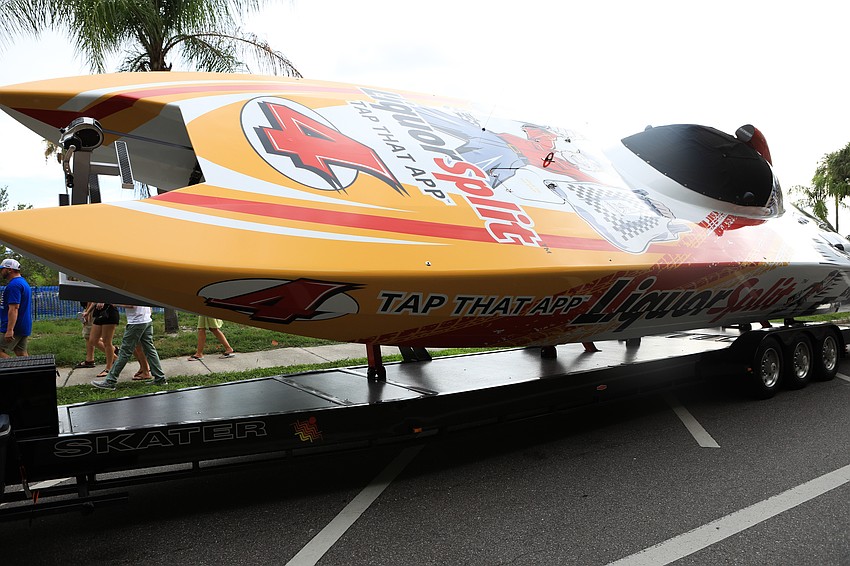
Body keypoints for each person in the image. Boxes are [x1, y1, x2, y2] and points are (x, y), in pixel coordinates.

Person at [91, 304, 166, 390]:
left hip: (136, 322)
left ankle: (110, 381)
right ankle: (160, 378)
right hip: (146, 320)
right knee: (150, 350)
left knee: (124, 352)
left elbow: (130, 305)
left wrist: (114, 304)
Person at [0, 258, 31, 357]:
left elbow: (14, 309)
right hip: (23, 325)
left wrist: (9, 330)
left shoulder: (14, 285)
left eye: (2, 269)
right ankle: (31, 372)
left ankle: (13, 369)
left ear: (9, 269)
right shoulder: (23, 282)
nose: (1, 271)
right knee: (21, 354)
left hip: (14, 327)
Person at [89, 302, 119, 378]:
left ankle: (109, 368)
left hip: (109, 312)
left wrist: (103, 301)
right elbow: (94, 300)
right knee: (93, 340)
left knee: (107, 342)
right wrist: (87, 312)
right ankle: (115, 357)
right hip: (99, 313)